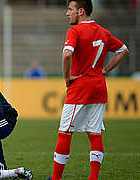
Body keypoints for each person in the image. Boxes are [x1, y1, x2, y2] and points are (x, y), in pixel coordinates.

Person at [48, 0, 129, 180]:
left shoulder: (75, 30)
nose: (67, 13)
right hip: (99, 88)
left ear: (81, 11)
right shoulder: (103, 32)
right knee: (94, 133)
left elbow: (67, 53)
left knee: (65, 132)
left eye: (70, 9)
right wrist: (106, 70)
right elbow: (123, 50)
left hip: (80, 88)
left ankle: (55, 178)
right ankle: (93, 178)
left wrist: (67, 77)